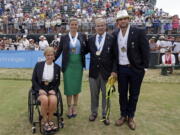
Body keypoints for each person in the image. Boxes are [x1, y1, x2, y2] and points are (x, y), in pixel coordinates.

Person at [112, 10, 149, 130]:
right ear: (117, 22)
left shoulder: (138, 31)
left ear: (128, 20)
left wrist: (144, 68)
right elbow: (114, 54)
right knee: (122, 94)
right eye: (120, 19)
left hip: (135, 69)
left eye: (125, 18)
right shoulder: (115, 33)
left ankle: (131, 117)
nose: (123, 21)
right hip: (121, 69)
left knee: (134, 95)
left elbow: (145, 50)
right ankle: (123, 115)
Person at [85, 17, 117, 125]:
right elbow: (83, 52)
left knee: (106, 96)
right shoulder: (90, 39)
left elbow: (115, 57)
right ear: (95, 27)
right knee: (94, 95)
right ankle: (94, 112)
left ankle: (105, 114)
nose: (100, 27)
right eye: (98, 25)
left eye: (102, 25)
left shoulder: (112, 39)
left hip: (107, 73)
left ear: (105, 26)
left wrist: (114, 71)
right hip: (93, 73)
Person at [55, 18, 87, 119]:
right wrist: (52, 60)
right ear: (69, 25)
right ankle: (69, 107)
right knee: (68, 87)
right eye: (72, 24)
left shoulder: (82, 36)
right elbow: (59, 50)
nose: (74, 26)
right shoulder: (64, 37)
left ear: (78, 25)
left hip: (78, 64)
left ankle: (75, 107)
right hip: (68, 65)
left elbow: (86, 49)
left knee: (76, 87)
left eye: (75, 24)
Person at [32, 47, 61, 133]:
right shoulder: (38, 65)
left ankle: (50, 120)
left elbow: (58, 82)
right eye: (48, 55)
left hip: (51, 89)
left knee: (53, 99)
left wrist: (54, 90)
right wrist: (39, 89)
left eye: (51, 55)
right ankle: (45, 121)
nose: (50, 56)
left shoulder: (57, 67)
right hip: (40, 89)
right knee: (44, 99)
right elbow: (33, 80)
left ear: (54, 56)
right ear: (45, 56)